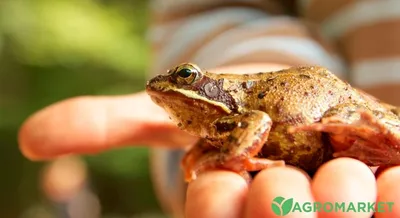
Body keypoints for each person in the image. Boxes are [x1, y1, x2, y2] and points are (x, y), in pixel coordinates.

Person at [18, 0, 400, 217]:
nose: (167, 86)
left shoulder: (241, 118)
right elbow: (218, 8)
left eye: (185, 76)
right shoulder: (222, 116)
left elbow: (258, 119)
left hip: (344, 112)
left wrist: (231, 157)